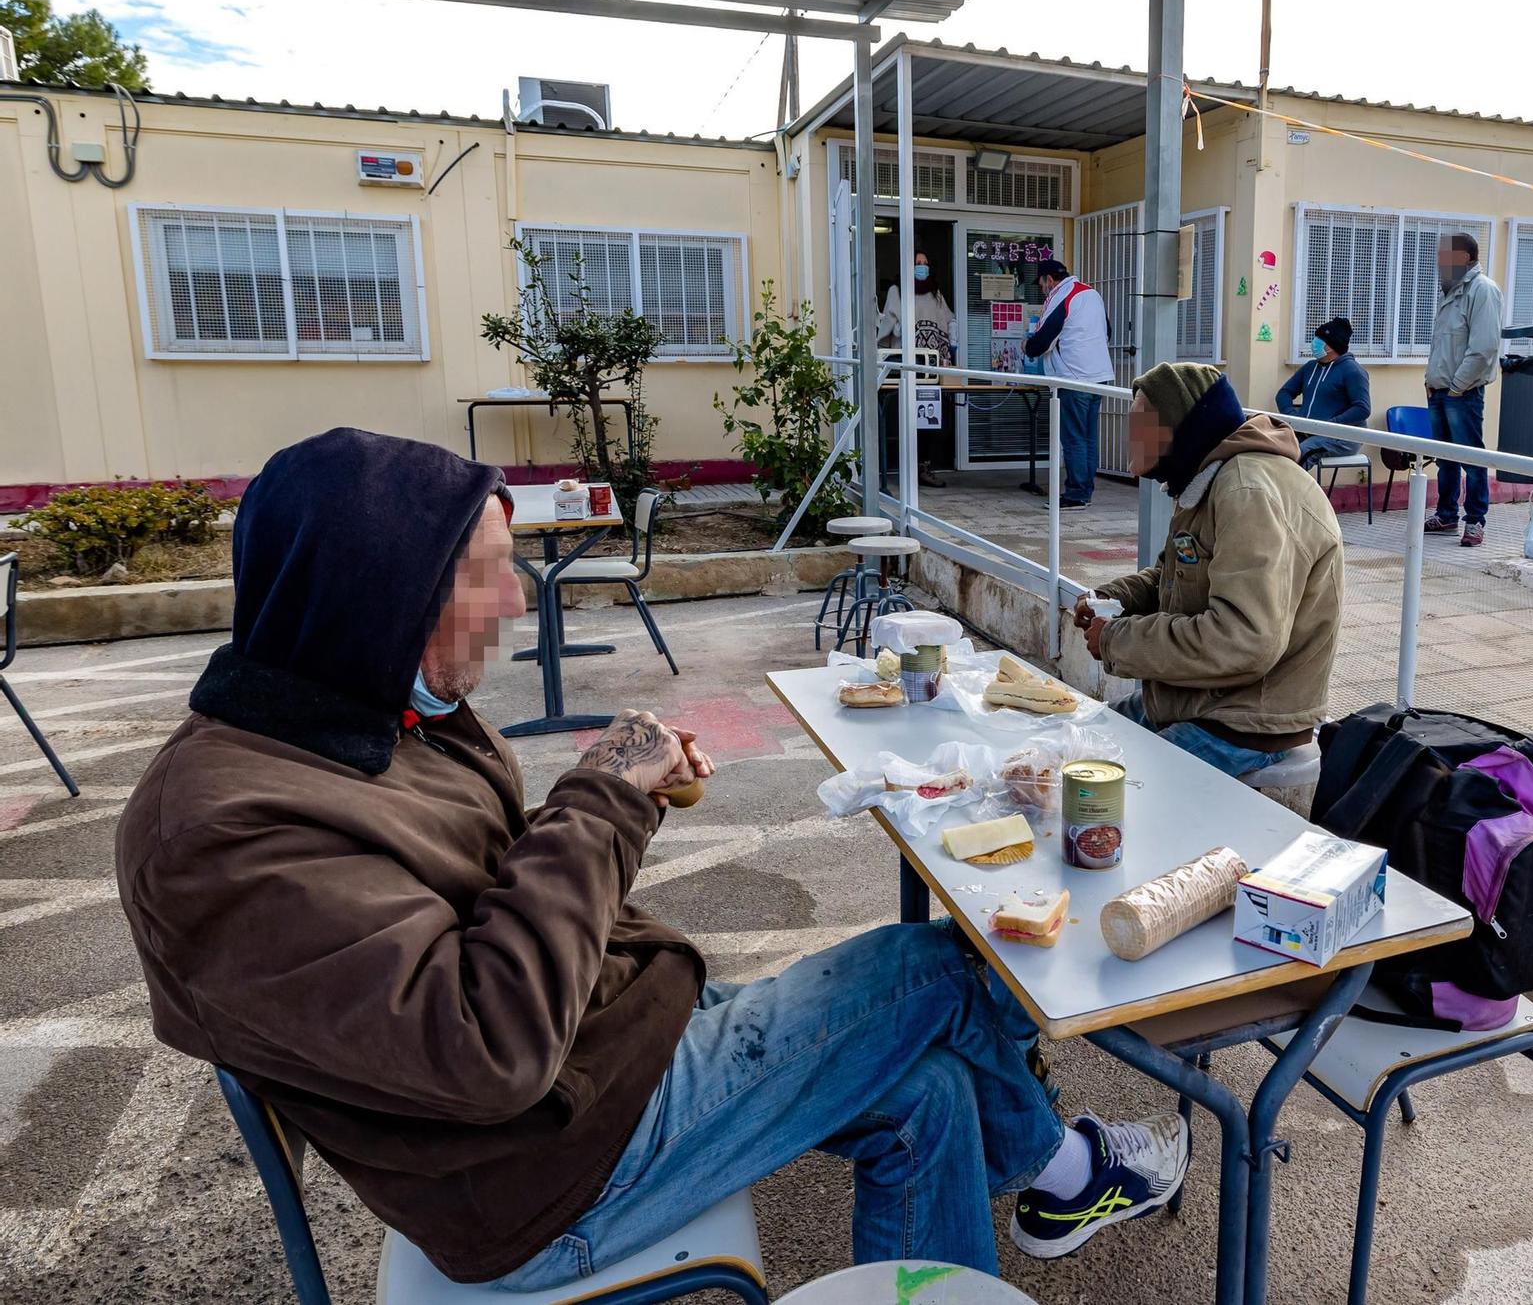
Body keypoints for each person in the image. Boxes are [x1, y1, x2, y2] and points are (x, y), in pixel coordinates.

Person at [113, 429, 1189, 1291]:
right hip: (544, 1175)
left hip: (598, 1062)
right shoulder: (218, 835)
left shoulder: (365, 716)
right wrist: (602, 795)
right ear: (372, 598)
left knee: (934, 1088)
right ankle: (1068, 1169)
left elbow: (502, 899)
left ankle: (1039, 1182)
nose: (511, 605)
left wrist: (622, 798)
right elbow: (490, 1044)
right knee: (940, 968)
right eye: (484, 579)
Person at [1076, 363, 1343, 777]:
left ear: (1183, 428)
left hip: (1244, 722)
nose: (1132, 438)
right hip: (1197, 700)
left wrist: (1116, 640)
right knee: (1075, 748)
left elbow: (1243, 639)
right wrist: (1117, 597)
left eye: (1142, 425)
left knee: (1106, 796)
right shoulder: (1206, 477)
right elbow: (1176, 573)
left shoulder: (1246, 492)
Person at [1422, 232, 1503, 547]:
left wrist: (1457, 387)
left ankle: (1475, 520)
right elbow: (1444, 346)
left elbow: (1483, 348)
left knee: (1471, 457)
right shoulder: (1450, 292)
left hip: (1463, 392)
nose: (1440, 262)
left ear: (1467, 258)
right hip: (1439, 390)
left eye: (1447, 255)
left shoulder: (1482, 291)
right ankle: (1446, 515)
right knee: (1445, 458)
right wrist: (1432, 383)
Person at [1022, 259, 1115, 509]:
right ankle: (1086, 490)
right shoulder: (1091, 293)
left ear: (1049, 280)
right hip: (1098, 376)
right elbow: (1107, 332)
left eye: (1041, 283)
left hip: (1073, 377)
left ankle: (1076, 494)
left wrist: (1027, 347)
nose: (1042, 289)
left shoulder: (1060, 296)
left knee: (1073, 438)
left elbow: (1043, 340)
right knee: (1088, 437)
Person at [878, 250, 958, 489]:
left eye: (925, 263)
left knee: (929, 419)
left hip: (932, 369)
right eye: (917, 263)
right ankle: (904, 468)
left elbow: (948, 319)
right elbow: (888, 323)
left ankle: (924, 467)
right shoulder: (898, 290)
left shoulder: (936, 292)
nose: (922, 267)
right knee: (906, 418)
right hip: (908, 367)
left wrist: (952, 344)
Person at [1278, 317, 1372, 468]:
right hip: (1308, 430)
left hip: (1341, 437)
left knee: (1301, 452)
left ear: (1332, 346)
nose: (1315, 343)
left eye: (1320, 340)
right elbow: (1284, 393)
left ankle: (1292, 491)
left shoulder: (1353, 371)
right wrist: (1291, 415)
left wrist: (1330, 424)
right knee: (1274, 445)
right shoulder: (1310, 367)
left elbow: (1362, 408)